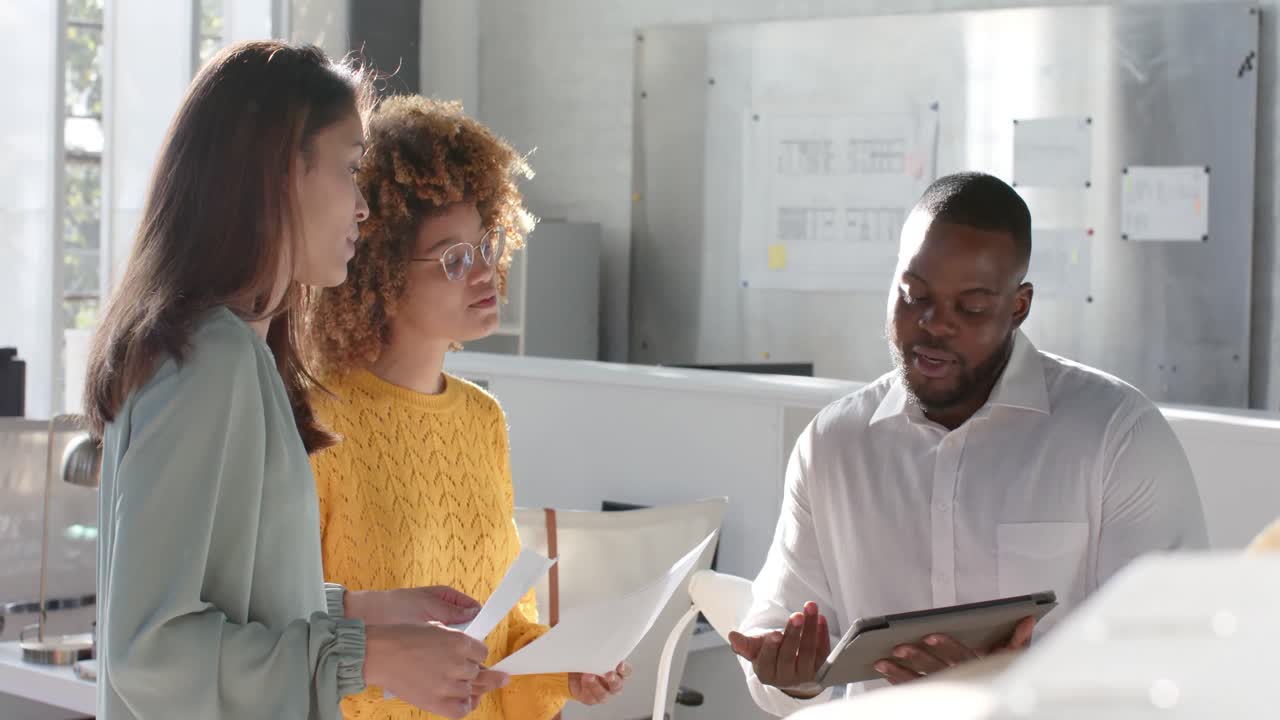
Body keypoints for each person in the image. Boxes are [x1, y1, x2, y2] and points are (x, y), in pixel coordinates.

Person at [85, 42, 506, 720]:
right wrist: (364, 653)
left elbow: (232, 597)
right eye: (350, 169)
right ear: (281, 172)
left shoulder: (235, 354)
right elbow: (149, 649)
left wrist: (357, 611)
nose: (363, 208)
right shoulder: (209, 360)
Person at [727, 172, 1209, 716]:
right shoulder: (833, 444)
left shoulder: (1117, 436)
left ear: (1019, 305)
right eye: (915, 296)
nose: (935, 325)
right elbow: (776, 633)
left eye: (971, 308)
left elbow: (1176, 657)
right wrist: (785, 670)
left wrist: (1004, 692)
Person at [304, 95, 629, 720]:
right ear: (379, 275)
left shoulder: (483, 421)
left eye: (488, 244)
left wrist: (565, 669)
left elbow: (505, 639)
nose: (486, 272)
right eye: (454, 258)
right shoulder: (318, 421)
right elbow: (294, 640)